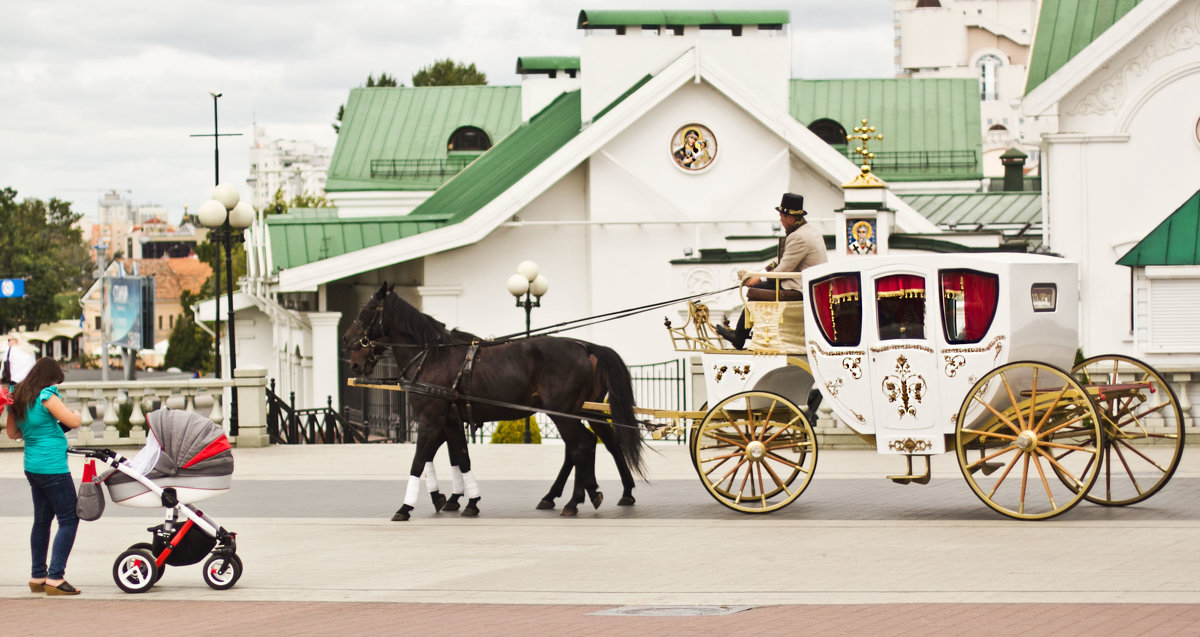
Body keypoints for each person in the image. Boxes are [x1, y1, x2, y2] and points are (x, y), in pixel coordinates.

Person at [5, 357, 84, 595]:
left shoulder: (16, 396)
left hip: (32, 466)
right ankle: (56, 578)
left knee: (41, 521)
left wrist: (35, 430)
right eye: (55, 380)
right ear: (50, 378)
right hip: (53, 467)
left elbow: (12, 433)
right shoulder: (46, 395)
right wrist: (76, 413)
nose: (56, 385)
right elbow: (73, 421)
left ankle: (37, 576)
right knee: (69, 520)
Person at [716, 192, 829, 350]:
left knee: (755, 291)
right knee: (757, 287)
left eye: (782, 215)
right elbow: (782, 260)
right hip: (808, 285)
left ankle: (739, 337)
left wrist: (758, 279)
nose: (780, 219)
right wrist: (758, 273)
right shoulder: (808, 230)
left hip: (799, 288)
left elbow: (783, 269)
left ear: (790, 217)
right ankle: (745, 334)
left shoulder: (798, 237)